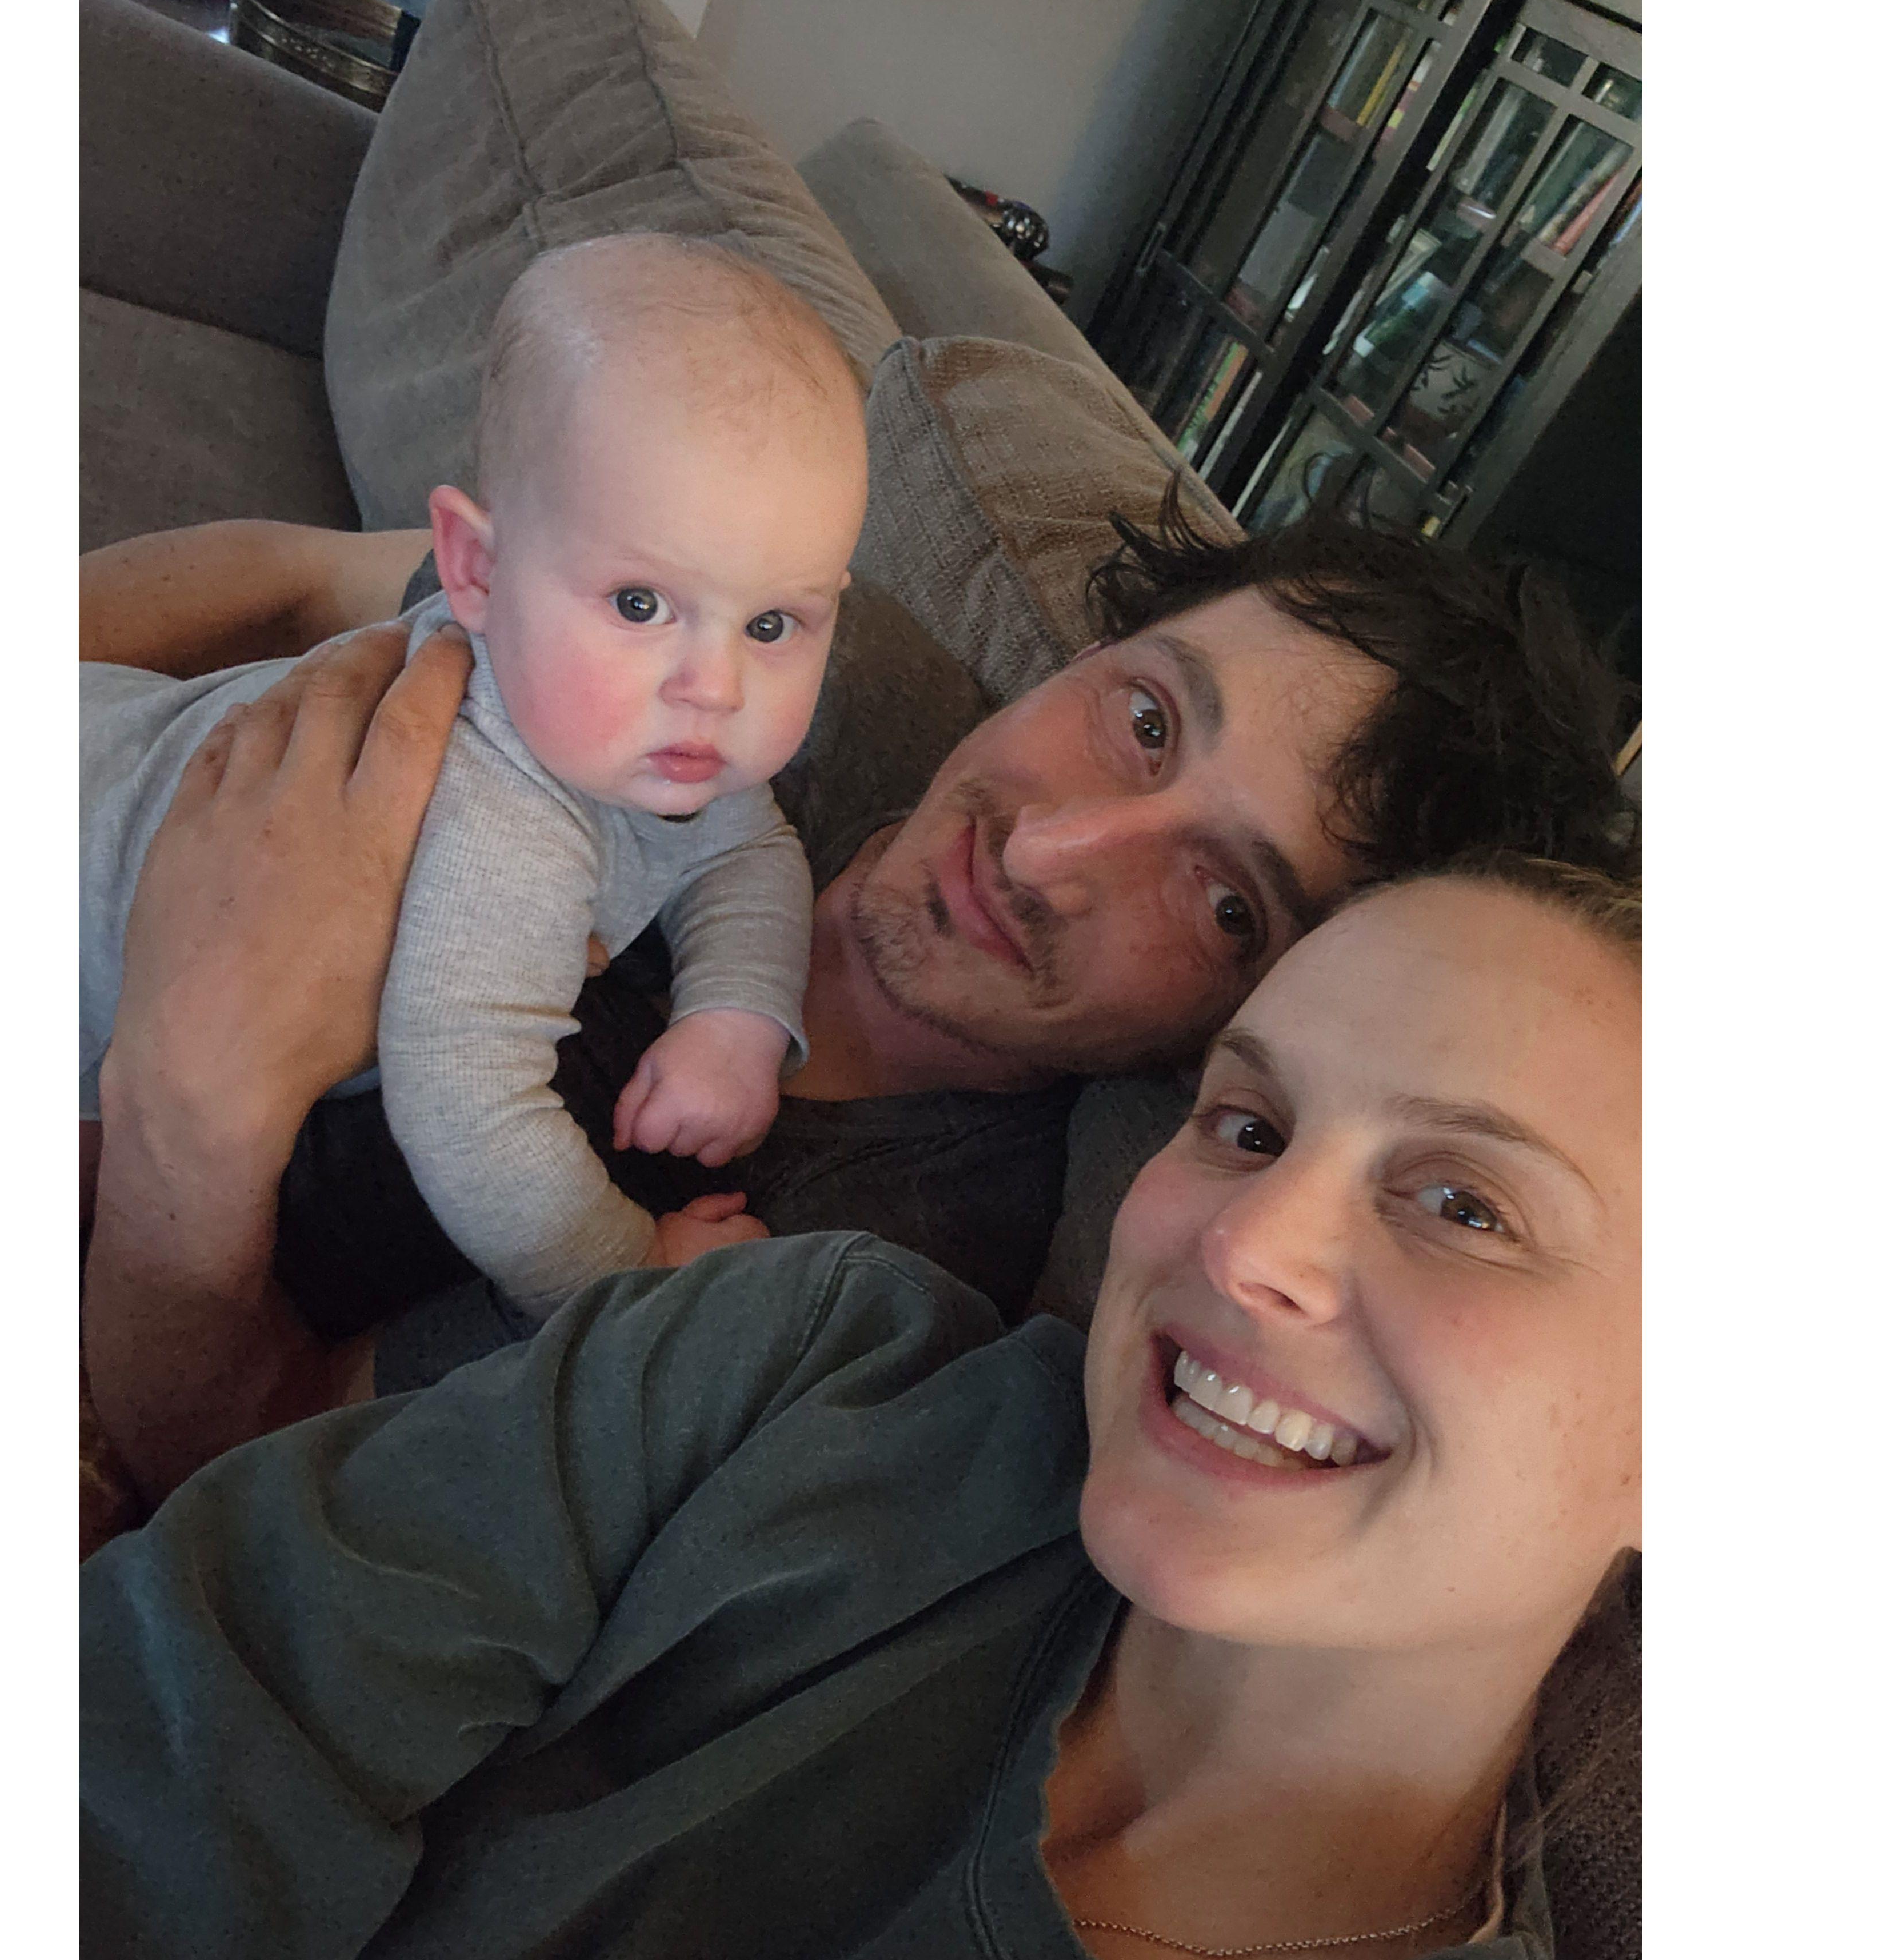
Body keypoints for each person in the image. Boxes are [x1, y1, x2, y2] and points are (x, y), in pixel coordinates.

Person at [81, 627, 1640, 1960]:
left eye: (1468, 1208)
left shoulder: (853, 1241)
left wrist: (195, 1088)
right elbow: (176, 1739)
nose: (1247, 1243)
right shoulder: (808, 1357)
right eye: (1251, 1128)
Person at [80, 492, 1637, 1334]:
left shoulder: (857, 1274)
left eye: (1226, 901)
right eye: (1146, 720)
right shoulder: (799, 659)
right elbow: (300, 575)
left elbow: (265, 1453)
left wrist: (197, 1096)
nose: (1050, 851)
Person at [81, 235, 870, 1306]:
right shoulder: (498, 818)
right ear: (477, 570)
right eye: (641, 605)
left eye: (773, 624)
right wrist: (628, 1273)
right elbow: (469, 1106)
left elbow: (750, 850)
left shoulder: (640, 741)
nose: (715, 687)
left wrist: (735, 1016)